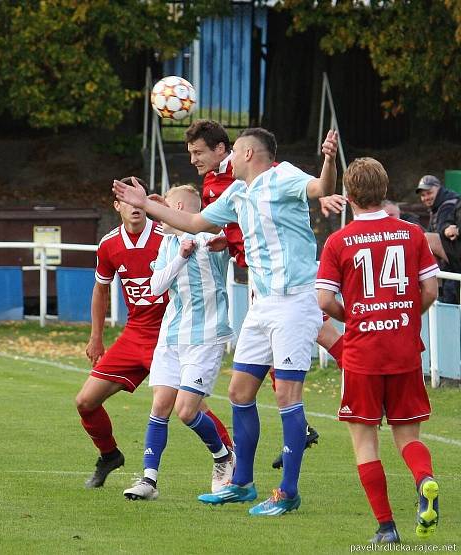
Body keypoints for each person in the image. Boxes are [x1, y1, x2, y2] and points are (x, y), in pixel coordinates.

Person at [114, 127, 338, 516]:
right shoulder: (237, 193)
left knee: (286, 395)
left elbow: (320, 187)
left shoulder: (282, 176)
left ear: (249, 153)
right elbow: (196, 222)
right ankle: (242, 484)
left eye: (233, 151)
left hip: (294, 301)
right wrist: (146, 205)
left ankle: (288, 492)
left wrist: (330, 160)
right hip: (261, 303)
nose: (227, 158)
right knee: (239, 392)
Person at [184, 119, 342, 470]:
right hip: (260, 285)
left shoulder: (261, 175)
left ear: (227, 151)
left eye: (198, 152)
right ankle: (243, 480)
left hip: (290, 288)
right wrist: (228, 241)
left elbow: (306, 188)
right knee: (244, 388)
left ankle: (364, 387)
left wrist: (325, 175)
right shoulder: (223, 185)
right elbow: (216, 222)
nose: (193, 160)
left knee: (316, 341)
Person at [76, 176, 233, 489]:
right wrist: (96, 336)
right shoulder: (109, 244)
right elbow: (101, 289)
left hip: (171, 331)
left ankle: (229, 455)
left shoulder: (166, 234)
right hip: (135, 333)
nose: (135, 207)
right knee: (85, 401)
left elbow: (208, 232)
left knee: (189, 406)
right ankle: (109, 455)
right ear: (118, 206)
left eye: (141, 201)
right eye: (128, 202)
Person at [316, 157, 440, 543]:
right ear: (384, 191)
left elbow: (323, 301)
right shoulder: (412, 233)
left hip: (362, 354)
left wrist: (355, 316)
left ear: (349, 196)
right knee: (408, 437)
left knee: (364, 441)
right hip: (403, 349)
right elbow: (431, 290)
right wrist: (404, 315)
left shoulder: (338, 241)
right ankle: (425, 481)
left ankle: (386, 527)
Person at [123, 185, 234, 501]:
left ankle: (223, 457)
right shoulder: (168, 244)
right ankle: (148, 479)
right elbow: (156, 286)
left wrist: (205, 245)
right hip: (172, 336)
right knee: (160, 406)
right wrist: (181, 257)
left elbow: (225, 238)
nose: (158, 217)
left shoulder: (209, 236)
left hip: (206, 337)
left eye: (166, 208)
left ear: (181, 208)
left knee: (186, 411)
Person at [416, 175, 460, 303]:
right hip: (449, 267)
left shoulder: (448, 204)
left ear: (438, 189)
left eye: (429, 193)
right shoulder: (436, 207)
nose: (426, 198)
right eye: (423, 195)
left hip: (453, 267)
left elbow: (440, 234)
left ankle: (436, 288)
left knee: (426, 239)